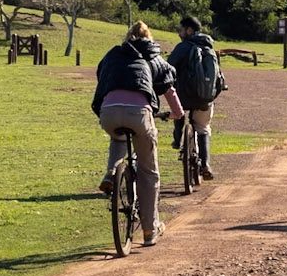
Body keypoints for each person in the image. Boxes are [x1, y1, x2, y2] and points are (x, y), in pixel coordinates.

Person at [91, 21, 182, 245]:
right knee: (149, 172)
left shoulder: (114, 55)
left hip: (109, 111)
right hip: (140, 114)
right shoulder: (154, 56)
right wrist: (177, 113)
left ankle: (112, 173)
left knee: (117, 136)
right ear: (148, 36)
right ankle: (150, 230)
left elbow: (101, 76)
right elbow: (169, 85)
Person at [171, 16, 226, 180]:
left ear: (189, 30)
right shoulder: (209, 49)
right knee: (203, 128)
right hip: (204, 98)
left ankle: (177, 138)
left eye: (181, 30)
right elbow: (219, 77)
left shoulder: (183, 47)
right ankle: (206, 164)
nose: (179, 33)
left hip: (183, 97)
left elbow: (169, 68)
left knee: (178, 109)